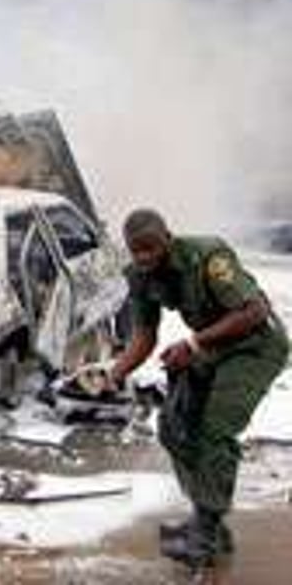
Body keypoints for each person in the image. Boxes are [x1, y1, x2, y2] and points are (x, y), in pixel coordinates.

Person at [110, 208, 288, 568]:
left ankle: (206, 529)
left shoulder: (207, 256)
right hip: (209, 348)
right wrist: (114, 373)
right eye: (136, 250)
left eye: (150, 247)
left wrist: (191, 347)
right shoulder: (140, 275)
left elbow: (254, 310)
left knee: (215, 431)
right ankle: (207, 521)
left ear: (168, 238)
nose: (144, 257)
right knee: (174, 427)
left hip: (254, 346)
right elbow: (145, 335)